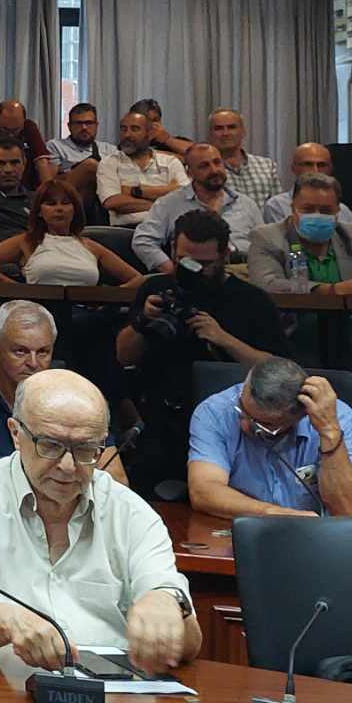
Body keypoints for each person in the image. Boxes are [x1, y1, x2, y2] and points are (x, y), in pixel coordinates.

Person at [0, 371, 201, 673]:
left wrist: (166, 605)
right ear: (16, 433)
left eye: (85, 450)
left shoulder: (131, 513)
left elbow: (191, 643)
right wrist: (10, 620)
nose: (68, 466)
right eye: (51, 445)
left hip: (112, 693)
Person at [115, 210, 287, 493]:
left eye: (205, 264)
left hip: (232, 422)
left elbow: (277, 371)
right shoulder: (156, 289)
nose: (194, 270)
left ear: (224, 255)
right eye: (186, 261)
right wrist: (142, 322)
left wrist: (224, 339)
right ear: (173, 251)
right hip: (161, 416)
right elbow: (123, 355)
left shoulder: (251, 301)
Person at [247, 172, 352, 445]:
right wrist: (332, 290)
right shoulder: (268, 237)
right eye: (308, 209)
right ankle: (320, 449)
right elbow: (266, 285)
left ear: (338, 211)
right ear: (293, 208)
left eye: (325, 210)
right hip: (296, 346)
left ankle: (347, 448)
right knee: (324, 388)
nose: (317, 215)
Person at [0, 300, 129, 486]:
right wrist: (16, 491)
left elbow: (117, 478)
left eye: (43, 352)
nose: (33, 363)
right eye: (20, 351)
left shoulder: (73, 394)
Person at [187, 361, 352, 518]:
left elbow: (347, 509)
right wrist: (276, 515)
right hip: (240, 530)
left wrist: (329, 432)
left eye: (263, 424)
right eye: (241, 409)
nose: (243, 424)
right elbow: (203, 491)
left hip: (316, 535)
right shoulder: (216, 412)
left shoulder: (336, 418)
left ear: (299, 418)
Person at [0, 179, 141, 287]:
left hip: (85, 315)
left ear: (75, 209)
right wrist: (16, 289)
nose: (59, 209)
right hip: (37, 314)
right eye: (51, 204)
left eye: (65, 203)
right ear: (39, 211)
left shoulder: (91, 247)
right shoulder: (27, 241)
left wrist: (106, 298)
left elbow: (138, 279)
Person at [129, 143, 262, 271]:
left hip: (245, 272)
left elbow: (264, 245)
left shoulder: (246, 204)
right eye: (204, 166)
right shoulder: (169, 204)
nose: (214, 170)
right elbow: (143, 241)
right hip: (196, 273)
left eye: (217, 162)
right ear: (189, 173)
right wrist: (170, 269)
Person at [96, 107, 189, 227]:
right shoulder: (109, 163)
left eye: (135, 129)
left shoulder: (170, 162)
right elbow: (113, 202)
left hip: (169, 228)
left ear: (149, 134)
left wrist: (135, 192)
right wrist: (165, 200)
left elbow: (185, 195)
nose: (127, 135)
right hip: (127, 230)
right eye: (123, 129)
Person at [260, 142, 352, 225]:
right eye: (308, 164)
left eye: (321, 165)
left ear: (331, 169)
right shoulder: (276, 206)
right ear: (293, 168)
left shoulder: (344, 211)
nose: (315, 170)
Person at [0, 99, 55, 186]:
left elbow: (42, 163)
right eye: (5, 130)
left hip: (26, 188)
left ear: (23, 122)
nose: (10, 135)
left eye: (15, 130)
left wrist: (47, 190)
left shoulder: (29, 127)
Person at [206, 108, 282, 205]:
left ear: (243, 131)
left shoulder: (267, 166)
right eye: (219, 128)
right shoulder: (204, 170)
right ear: (209, 134)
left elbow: (277, 206)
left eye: (231, 127)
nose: (225, 133)